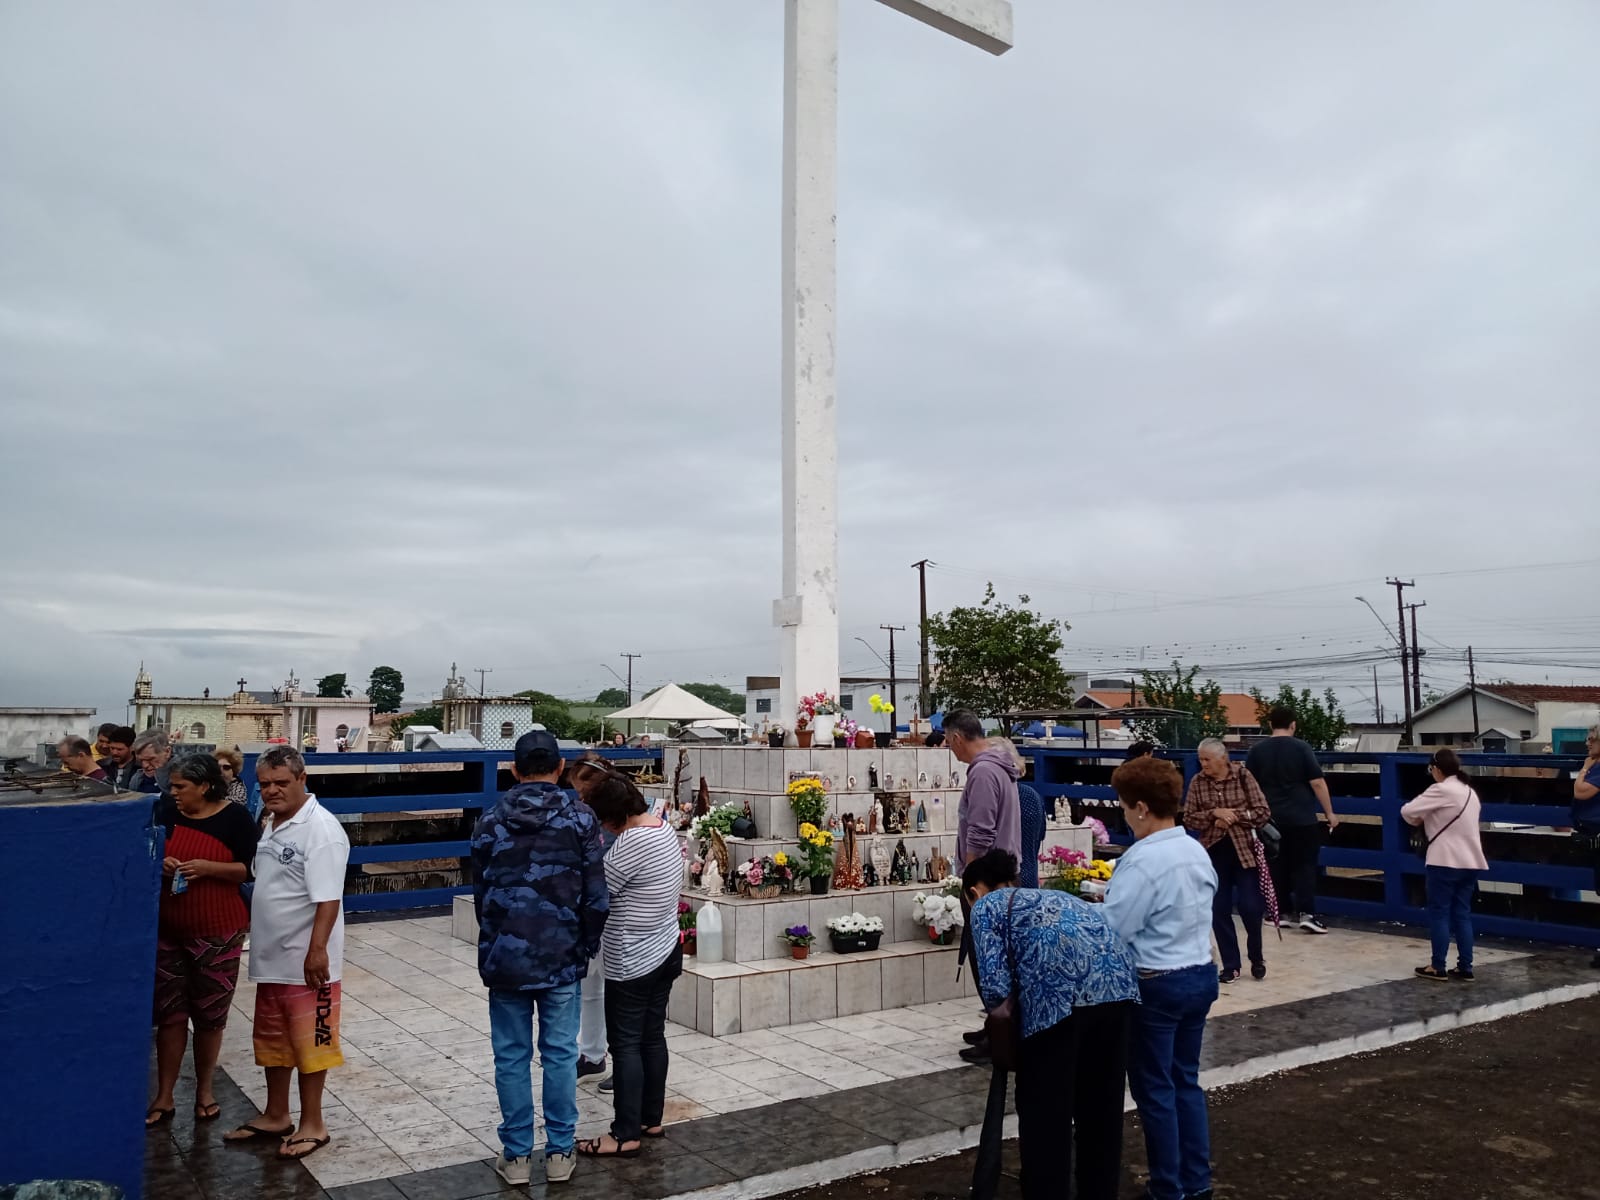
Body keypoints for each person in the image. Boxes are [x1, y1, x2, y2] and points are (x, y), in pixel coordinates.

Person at [472, 731, 609, 1187]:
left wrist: (494, 940)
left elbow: (481, 893)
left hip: (505, 956)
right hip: (561, 954)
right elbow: (597, 897)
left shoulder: (490, 819)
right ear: (559, 768)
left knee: (511, 1057)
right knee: (560, 1054)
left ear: (513, 769)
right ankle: (560, 1151)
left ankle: (514, 1157)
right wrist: (585, 946)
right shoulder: (581, 818)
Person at [963, 849, 1139, 1200]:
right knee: (1100, 1111)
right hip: (1119, 991)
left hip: (1057, 1003)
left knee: (1047, 1115)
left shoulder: (985, 905)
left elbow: (996, 987)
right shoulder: (1052, 895)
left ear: (972, 892)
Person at [223, 746, 350, 1161]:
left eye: (281, 783)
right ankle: (277, 1114)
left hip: (308, 963)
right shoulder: (273, 822)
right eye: (265, 784)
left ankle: (314, 1123)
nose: (273, 791)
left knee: (310, 1046)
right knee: (274, 1043)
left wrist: (317, 953)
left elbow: (328, 899)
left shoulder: (322, 831)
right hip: (272, 959)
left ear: (302, 779)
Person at [1104, 755, 1221, 1200]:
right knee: (1185, 1083)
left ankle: (1167, 1188)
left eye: (1122, 804)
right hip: (1198, 975)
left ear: (1140, 807)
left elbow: (1116, 929)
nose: (1123, 813)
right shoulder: (1194, 850)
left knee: (1155, 1092)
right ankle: (1196, 1182)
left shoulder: (1142, 860)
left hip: (1156, 982)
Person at [576, 769, 685, 1158]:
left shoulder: (631, 843)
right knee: (651, 1037)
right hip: (665, 948)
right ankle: (649, 1119)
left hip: (632, 958)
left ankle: (624, 1134)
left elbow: (598, 893)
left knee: (624, 1046)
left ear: (613, 817)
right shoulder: (663, 829)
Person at [146, 755, 257, 1128]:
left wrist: (208, 869)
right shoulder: (167, 812)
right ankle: (164, 1094)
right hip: (169, 929)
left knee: (209, 1016)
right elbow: (148, 849)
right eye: (172, 786)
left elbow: (249, 868)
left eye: (181, 787)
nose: (173, 793)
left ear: (205, 785)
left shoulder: (235, 819)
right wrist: (160, 862)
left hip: (217, 932)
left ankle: (205, 1090)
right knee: (170, 1014)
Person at [946, 710, 1021, 1063]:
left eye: (948, 741)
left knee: (989, 960)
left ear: (958, 737)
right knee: (995, 958)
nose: (949, 748)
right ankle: (994, 1025)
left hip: (987, 880)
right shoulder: (999, 767)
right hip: (1000, 874)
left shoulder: (984, 771)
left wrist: (972, 876)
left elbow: (980, 829)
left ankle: (1001, 1035)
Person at [1245, 706, 1339, 934]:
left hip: (1270, 819)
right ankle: (1307, 914)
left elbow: (1249, 784)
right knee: (1304, 866)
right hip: (1301, 817)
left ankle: (1280, 913)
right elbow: (1317, 782)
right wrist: (1330, 813)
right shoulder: (1301, 748)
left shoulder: (1257, 750)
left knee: (1276, 865)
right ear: (1293, 724)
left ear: (1269, 724)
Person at [1185, 739, 1272, 984]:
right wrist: (1214, 814)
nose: (1203, 765)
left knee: (1250, 907)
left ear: (1223, 758)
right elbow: (1190, 817)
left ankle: (1257, 957)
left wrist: (1233, 816)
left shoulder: (1243, 776)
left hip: (1244, 851)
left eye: (1207, 760)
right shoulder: (1197, 782)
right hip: (1213, 852)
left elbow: (1262, 812)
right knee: (1218, 908)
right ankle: (1231, 965)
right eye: (1200, 759)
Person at [1401, 748, 1488, 981]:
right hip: (1472, 861)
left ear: (1437, 769)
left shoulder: (1440, 789)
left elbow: (1407, 811)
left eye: (1431, 770)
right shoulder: (1470, 792)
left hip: (1444, 861)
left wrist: (1423, 817)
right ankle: (1465, 966)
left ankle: (1438, 966)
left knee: (1439, 913)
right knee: (1462, 914)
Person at [568, 758, 619, 1092]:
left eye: (584, 792)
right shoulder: (580, 816)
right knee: (590, 990)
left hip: (616, 915)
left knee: (617, 995)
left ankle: (624, 1059)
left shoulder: (616, 821)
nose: (580, 799)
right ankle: (591, 1055)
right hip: (588, 914)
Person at [1572, 726, 1600, 969]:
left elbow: (1581, 792)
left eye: (1592, 739)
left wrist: (1584, 768)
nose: (1587, 743)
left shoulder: (1596, 769)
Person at [131, 729, 174, 794]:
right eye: (140, 760)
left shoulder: (182, 779)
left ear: (167, 752)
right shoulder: (137, 780)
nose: (145, 765)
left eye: (150, 759)